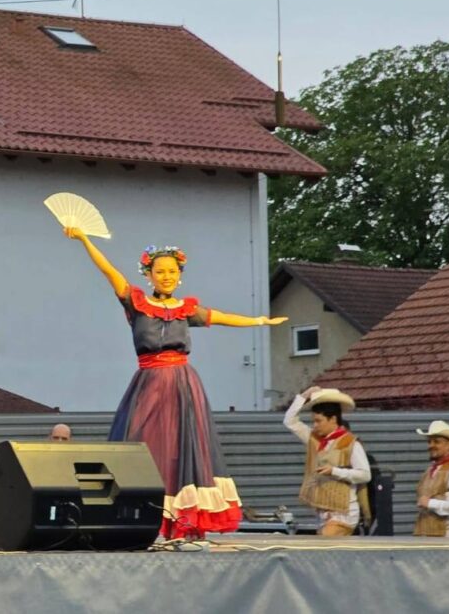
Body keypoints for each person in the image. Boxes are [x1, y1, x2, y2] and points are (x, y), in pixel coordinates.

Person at [66, 231, 287, 539]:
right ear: (150, 275)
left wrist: (259, 321)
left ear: (179, 275)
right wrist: (84, 241)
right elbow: (109, 271)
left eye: (172, 271)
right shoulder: (137, 302)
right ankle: (134, 512)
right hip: (149, 383)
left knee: (183, 448)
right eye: (161, 271)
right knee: (140, 440)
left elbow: (221, 317)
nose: (167, 276)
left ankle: (183, 520)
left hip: (183, 385)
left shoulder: (186, 309)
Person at [284, 386, 370, 536]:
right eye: (314, 421)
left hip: (344, 513)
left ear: (333, 419)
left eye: (319, 421)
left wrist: (335, 471)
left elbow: (365, 474)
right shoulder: (315, 440)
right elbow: (290, 421)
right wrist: (303, 396)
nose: (315, 425)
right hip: (324, 513)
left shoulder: (350, 443)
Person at [414, 420, 449, 538]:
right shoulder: (430, 471)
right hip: (431, 534)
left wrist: (430, 503)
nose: (431, 445)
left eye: (437, 441)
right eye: (429, 442)